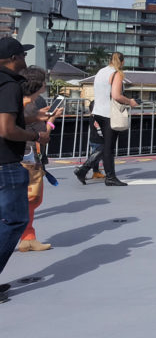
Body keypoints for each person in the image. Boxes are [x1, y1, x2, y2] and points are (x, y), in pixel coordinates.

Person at [1, 38, 50, 299]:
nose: (25, 60)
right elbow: (7, 129)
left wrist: (33, 118)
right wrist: (35, 135)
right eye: (22, 55)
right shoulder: (10, 86)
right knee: (16, 220)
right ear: (13, 59)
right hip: (6, 162)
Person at [75, 51, 137, 186]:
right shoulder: (117, 74)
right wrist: (130, 101)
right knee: (109, 148)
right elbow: (116, 95)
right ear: (122, 62)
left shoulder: (101, 72)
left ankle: (84, 169)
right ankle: (110, 177)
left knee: (104, 145)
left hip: (97, 112)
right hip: (109, 114)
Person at [18, 66, 60, 252]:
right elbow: (43, 135)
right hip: (29, 158)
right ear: (39, 86)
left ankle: (28, 237)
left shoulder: (14, 101)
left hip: (16, 155)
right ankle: (26, 237)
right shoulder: (32, 105)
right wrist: (52, 120)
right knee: (31, 199)